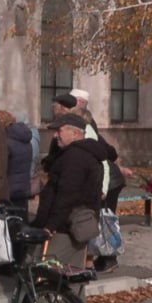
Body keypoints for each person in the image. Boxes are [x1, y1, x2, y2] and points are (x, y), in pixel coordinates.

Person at [33, 113, 110, 269]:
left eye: (59, 131)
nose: (55, 136)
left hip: (65, 228)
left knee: (47, 271)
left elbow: (66, 195)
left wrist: (51, 226)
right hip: (76, 224)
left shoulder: (75, 157)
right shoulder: (82, 154)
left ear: (75, 133)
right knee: (72, 273)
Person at [3, 110, 35, 211]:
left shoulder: (7, 142)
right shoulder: (25, 140)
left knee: (9, 221)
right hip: (23, 187)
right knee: (21, 219)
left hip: (9, 188)